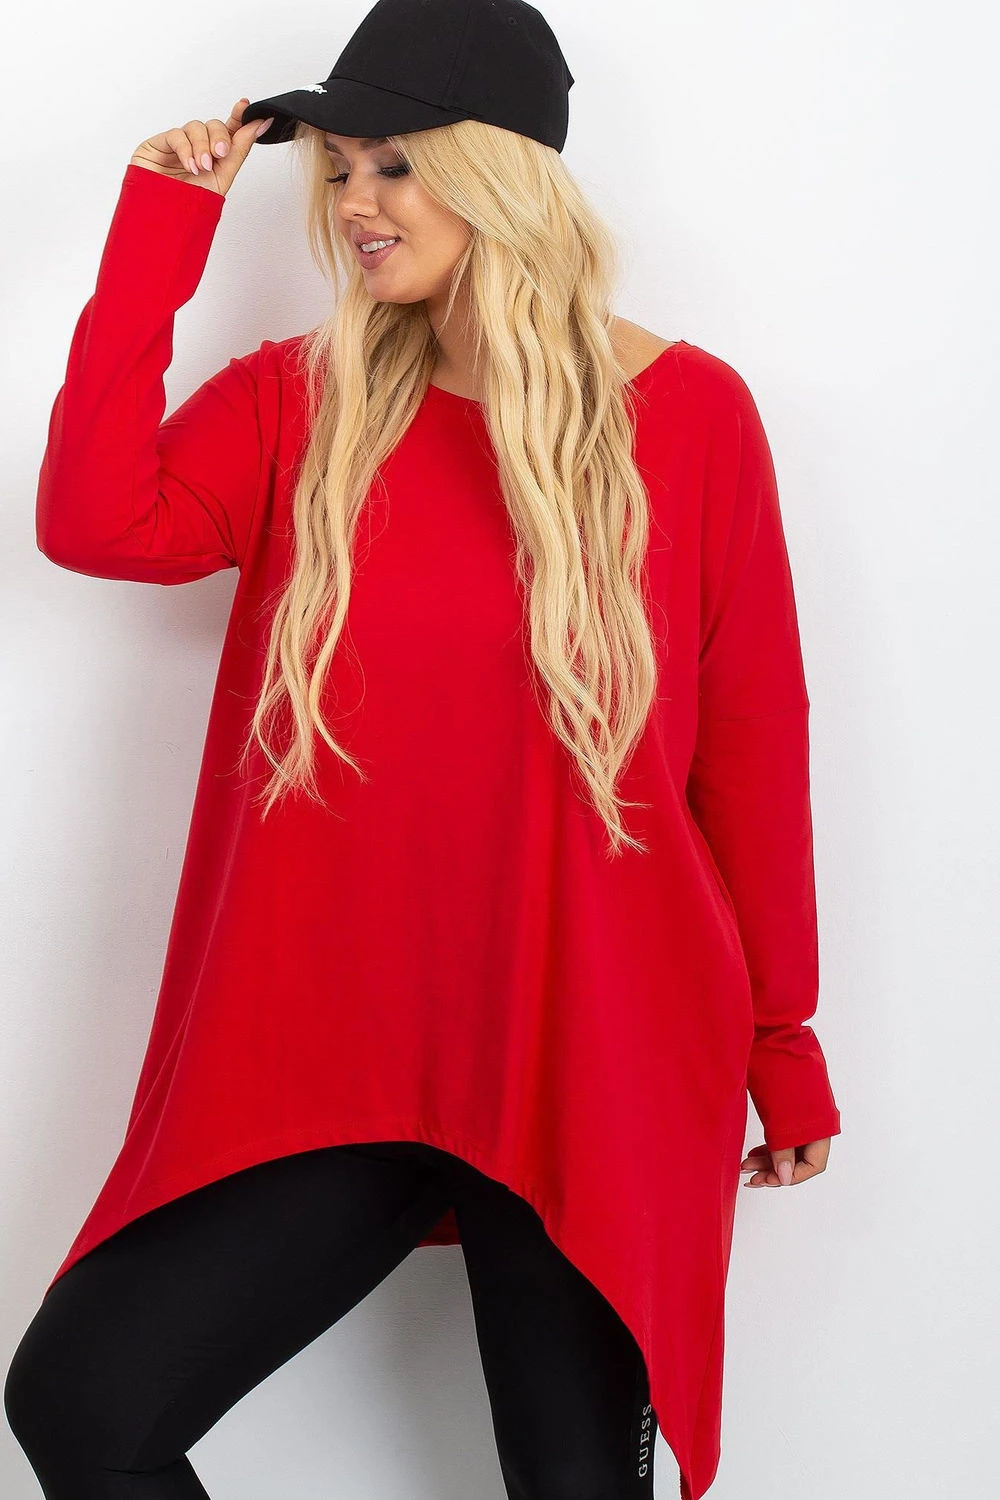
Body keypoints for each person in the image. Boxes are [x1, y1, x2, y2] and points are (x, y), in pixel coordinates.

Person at [3, 2, 843, 1498]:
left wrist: (784, 1044)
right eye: (335, 167)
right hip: (349, 1058)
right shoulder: (301, 405)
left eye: (393, 163)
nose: (353, 202)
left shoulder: (690, 418)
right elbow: (94, 520)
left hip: (594, 1057)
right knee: (84, 1402)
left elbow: (753, 758)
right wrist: (159, 236)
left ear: (497, 172)